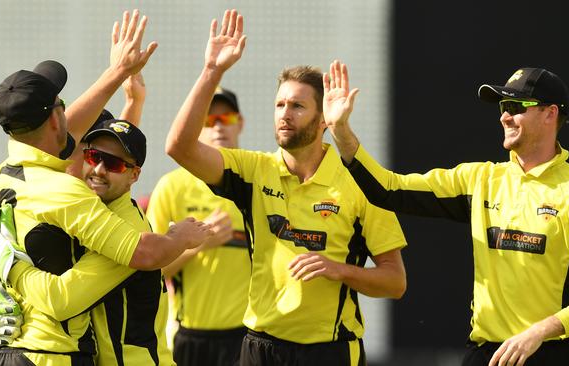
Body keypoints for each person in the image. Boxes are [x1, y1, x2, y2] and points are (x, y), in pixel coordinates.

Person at [165, 10, 407, 365]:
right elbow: (179, 147)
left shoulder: (360, 184)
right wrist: (212, 71)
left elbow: (395, 282)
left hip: (330, 351)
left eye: (297, 106)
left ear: (323, 119)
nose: (284, 114)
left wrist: (339, 269)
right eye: (279, 104)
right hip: (259, 347)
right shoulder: (254, 170)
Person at [326, 64, 569, 366]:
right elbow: (389, 189)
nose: (504, 116)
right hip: (489, 354)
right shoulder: (479, 180)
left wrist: (539, 332)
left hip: (556, 354)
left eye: (514, 106)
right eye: (501, 106)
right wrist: (341, 131)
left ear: (550, 114)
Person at [0, 10, 211, 365]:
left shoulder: (1, 175)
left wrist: (11, 271)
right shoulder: (67, 194)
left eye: (114, 162)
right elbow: (89, 166)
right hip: (48, 357)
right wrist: (180, 237)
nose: (98, 167)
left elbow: (89, 161)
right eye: (91, 154)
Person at [147, 87, 250, 366]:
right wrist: (202, 243)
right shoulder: (173, 187)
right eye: (207, 119)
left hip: (249, 335)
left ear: (239, 123)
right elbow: (151, 269)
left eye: (225, 118)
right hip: (190, 335)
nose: (218, 127)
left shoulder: (257, 182)